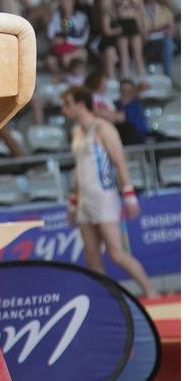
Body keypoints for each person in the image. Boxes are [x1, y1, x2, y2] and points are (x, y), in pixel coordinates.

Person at [62, 87, 159, 299]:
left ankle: (150, 291)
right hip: (84, 200)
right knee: (91, 256)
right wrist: (73, 202)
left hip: (104, 197)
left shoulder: (103, 128)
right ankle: (104, 299)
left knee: (116, 253)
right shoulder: (76, 131)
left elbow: (119, 162)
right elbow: (79, 169)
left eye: (67, 104)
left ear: (81, 104)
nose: (63, 109)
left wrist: (129, 196)